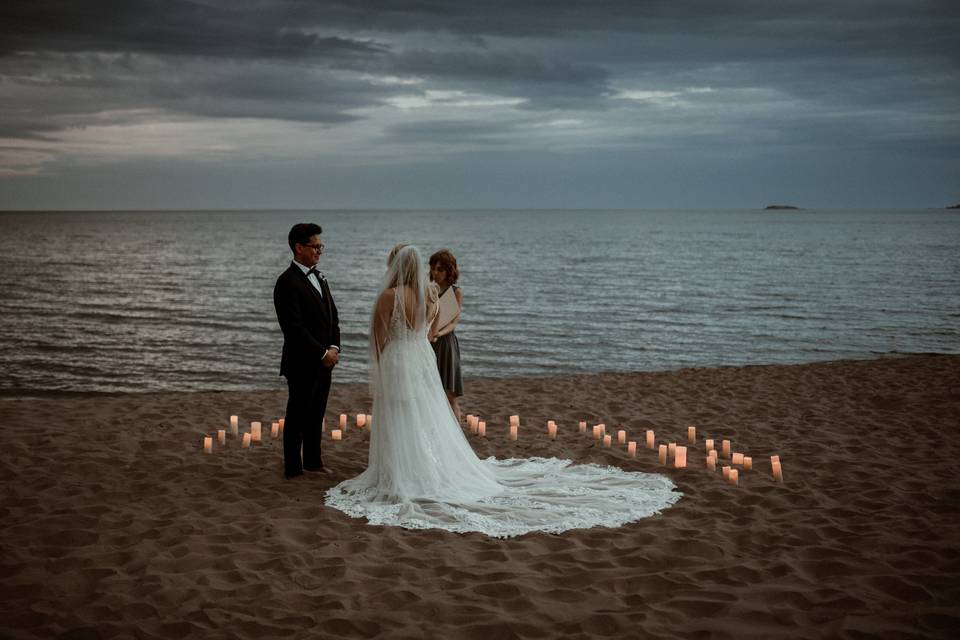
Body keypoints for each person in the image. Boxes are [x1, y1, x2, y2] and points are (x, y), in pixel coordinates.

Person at [325, 245, 680, 538]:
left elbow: (379, 338)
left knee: (398, 415)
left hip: (399, 360)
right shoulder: (427, 295)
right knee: (425, 416)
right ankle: (426, 469)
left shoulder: (388, 297)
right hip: (421, 361)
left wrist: (386, 359)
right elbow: (432, 333)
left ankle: (397, 471)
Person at [273, 223, 341, 479]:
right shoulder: (286, 282)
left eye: (320, 246)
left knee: (317, 414)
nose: (319, 251)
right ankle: (293, 467)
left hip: (326, 361)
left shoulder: (320, 277)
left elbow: (333, 317)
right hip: (301, 362)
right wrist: (322, 354)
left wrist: (334, 347)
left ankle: (313, 461)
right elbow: (294, 329)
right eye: (315, 246)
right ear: (298, 247)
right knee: (297, 415)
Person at [428, 249, 464, 422]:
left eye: (440, 269)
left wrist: (438, 333)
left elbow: (453, 322)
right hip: (427, 343)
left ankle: (457, 435)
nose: (436, 273)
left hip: (446, 344)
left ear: (449, 271)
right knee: (429, 394)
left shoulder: (455, 291)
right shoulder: (427, 289)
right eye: (434, 268)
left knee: (450, 397)